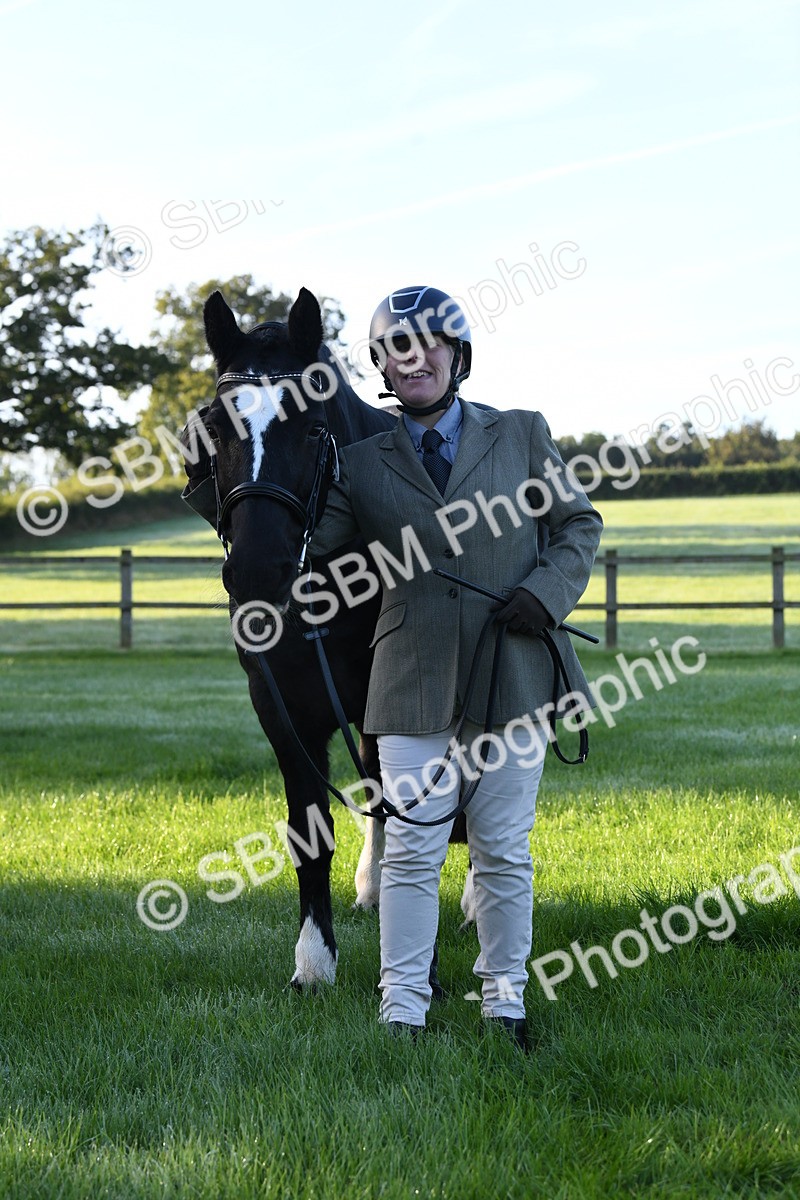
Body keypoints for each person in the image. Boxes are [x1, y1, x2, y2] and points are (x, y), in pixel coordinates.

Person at [307, 285, 603, 1050]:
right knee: (409, 851)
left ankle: (505, 1004)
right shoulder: (360, 462)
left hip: (516, 671)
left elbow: (577, 523)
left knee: (504, 849)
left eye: (432, 343)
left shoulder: (523, 434)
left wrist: (547, 591)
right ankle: (401, 1009)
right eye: (399, 348)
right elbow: (322, 553)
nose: (418, 358)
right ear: (383, 366)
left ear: (458, 354)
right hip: (408, 681)